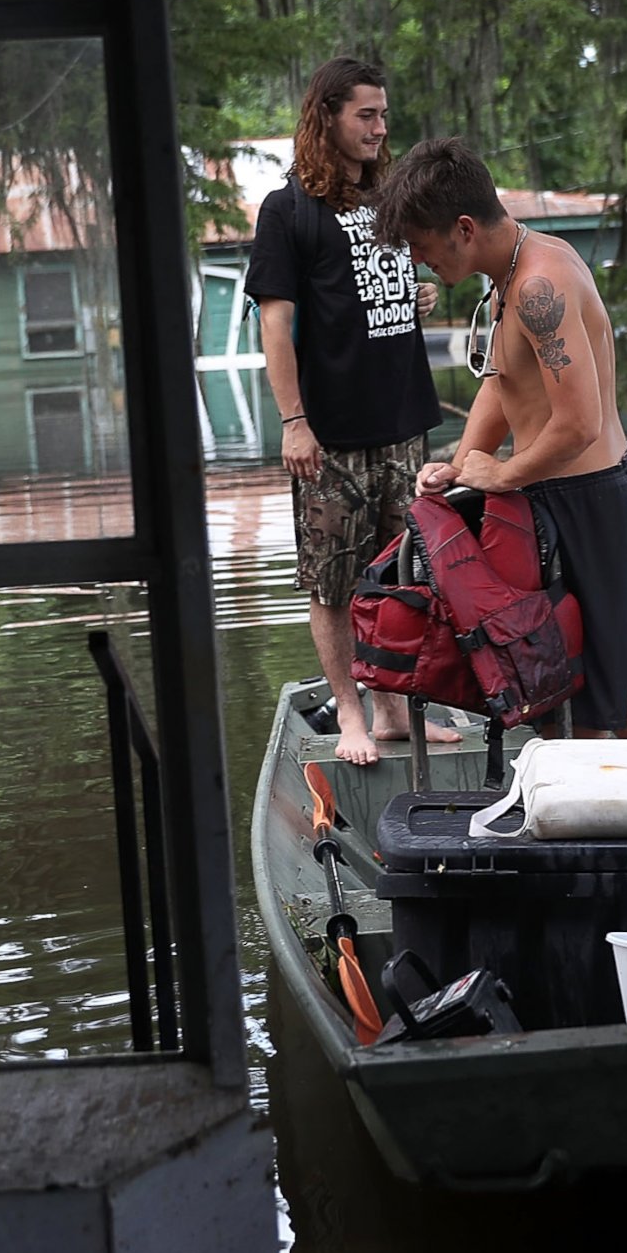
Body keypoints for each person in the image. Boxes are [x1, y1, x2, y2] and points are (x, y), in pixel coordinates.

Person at [373, 137, 627, 738]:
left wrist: (504, 474)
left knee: (611, 685)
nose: (419, 261)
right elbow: (501, 382)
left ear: (462, 228)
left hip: (592, 498)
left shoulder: (541, 285)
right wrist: (462, 465)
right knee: (553, 676)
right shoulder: (507, 275)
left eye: (421, 246)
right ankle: (580, 806)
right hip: (548, 492)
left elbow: (581, 422)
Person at [246, 57, 451, 766]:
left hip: (404, 423)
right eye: (366, 114)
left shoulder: (389, 197)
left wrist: (417, 295)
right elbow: (277, 325)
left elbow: (382, 285)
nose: (380, 127)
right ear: (326, 115)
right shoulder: (289, 209)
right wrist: (293, 421)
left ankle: (393, 707)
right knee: (334, 581)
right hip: (331, 435)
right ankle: (354, 713)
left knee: (400, 576)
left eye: (384, 115)